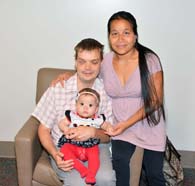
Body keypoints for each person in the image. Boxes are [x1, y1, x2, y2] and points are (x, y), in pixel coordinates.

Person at [52, 11, 167, 186]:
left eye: (126, 33)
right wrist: (68, 74)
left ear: (135, 35)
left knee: (154, 173)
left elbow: (156, 100)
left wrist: (127, 124)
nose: (120, 38)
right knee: (119, 165)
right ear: (109, 37)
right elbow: (88, 71)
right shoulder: (105, 62)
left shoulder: (150, 60)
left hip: (146, 121)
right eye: (115, 33)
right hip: (118, 123)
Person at [32, 38, 116, 186]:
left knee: (106, 179)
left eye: (94, 62)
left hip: (95, 146)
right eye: (82, 61)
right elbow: (43, 128)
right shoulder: (58, 88)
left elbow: (108, 136)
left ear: (101, 63)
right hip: (64, 146)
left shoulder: (106, 91)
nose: (88, 67)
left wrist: (93, 132)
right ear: (75, 62)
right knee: (80, 182)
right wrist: (54, 154)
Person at [58, 87, 113, 184]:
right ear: (76, 105)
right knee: (64, 150)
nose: (85, 108)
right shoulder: (73, 116)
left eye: (90, 105)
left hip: (89, 145)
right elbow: (61, 123)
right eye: (82, 104)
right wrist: (66, 129)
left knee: (94, 155)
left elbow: (106, 125)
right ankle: (82, 169)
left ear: (96, 109)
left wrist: (109, 128)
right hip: (73, 144)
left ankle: (91, 175)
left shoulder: (98, 119)